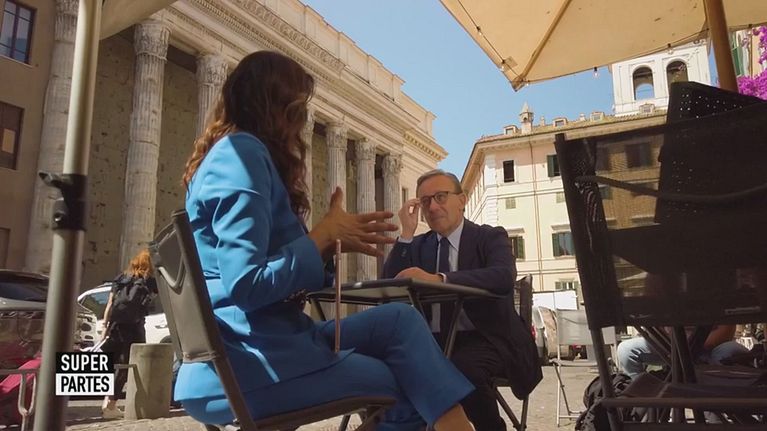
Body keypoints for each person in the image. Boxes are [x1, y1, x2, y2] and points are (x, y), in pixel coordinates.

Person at [176, 50, 476, 431]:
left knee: (400, 321)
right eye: (299, 110)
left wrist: (329, 245)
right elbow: (247, 284)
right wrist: (321, 236)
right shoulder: (241, 155)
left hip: (261, 348)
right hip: (249, 363)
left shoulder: (231, 156)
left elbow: (269, 268)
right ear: (277, 108)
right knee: (410, 380)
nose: (301, 125)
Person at [382, 169, 542, 431]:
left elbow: (503, 276)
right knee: (384, 368)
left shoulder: (489, 236)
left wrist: (440, 279)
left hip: (487, 337)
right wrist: (406, 235)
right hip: (431, 340)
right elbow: (389, 285)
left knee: (460, 368)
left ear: (462, 200)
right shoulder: (418, 245)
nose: (433, 207)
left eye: (441, 197)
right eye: (425, 201)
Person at [100, 249, 158, 419]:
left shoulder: (121, 278)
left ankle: (106, 402)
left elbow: (110, 304)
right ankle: (111, 405)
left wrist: (105, 326)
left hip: (115, 325)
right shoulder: (148, 281)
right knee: (127, 364)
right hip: (134, 327)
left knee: (111, 363)